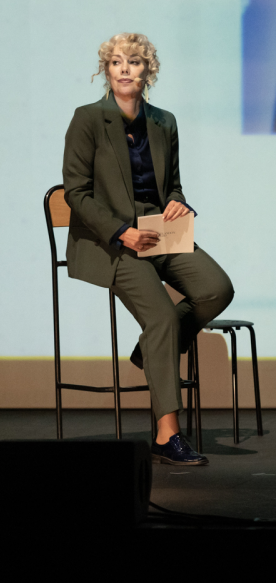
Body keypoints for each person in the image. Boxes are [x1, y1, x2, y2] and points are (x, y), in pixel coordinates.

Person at [62, 33, 233, 466]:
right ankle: (166, 435)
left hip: (160, 232)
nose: (124, 69)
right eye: (116, 62)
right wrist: (122, 231)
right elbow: (76, 193)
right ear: (106, 70)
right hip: (111, 240)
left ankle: (150, 349)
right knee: (159, 317)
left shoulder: (163, 121)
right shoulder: (87, 118)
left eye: (134, 62)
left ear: (147, 71)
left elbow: (171, 184)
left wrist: (178, 200)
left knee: (216, 288)